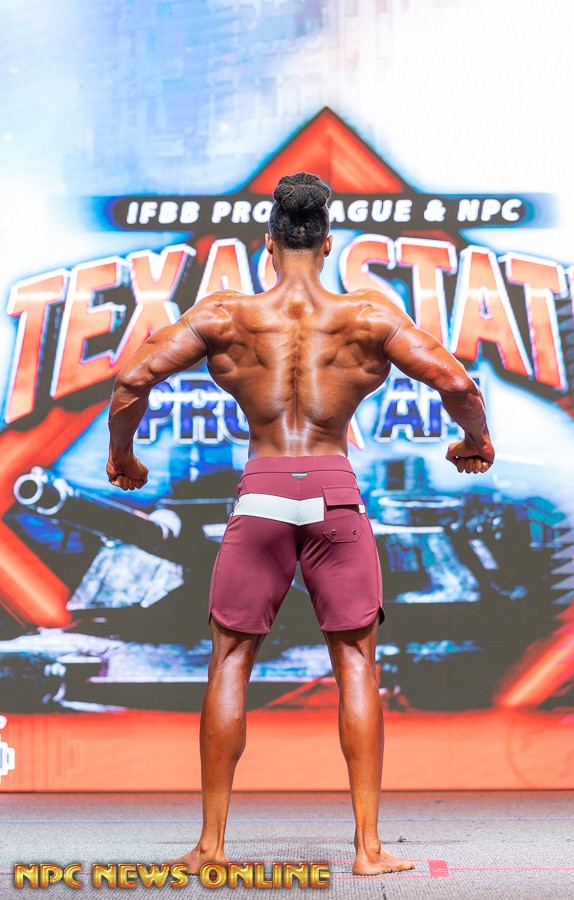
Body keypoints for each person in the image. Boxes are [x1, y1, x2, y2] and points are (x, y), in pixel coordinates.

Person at [106, 172, 495, 877]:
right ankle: (368, 850)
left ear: (268, 241)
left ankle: (211, 845)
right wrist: (475, 442)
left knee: (230, 660)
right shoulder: (367, 317)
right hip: (332, 494)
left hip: (260, 495)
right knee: (356, 663)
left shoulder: (225, 315)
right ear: (328, 241)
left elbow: (132, 381)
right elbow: (458, 383)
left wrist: (124, 458)